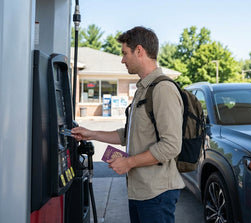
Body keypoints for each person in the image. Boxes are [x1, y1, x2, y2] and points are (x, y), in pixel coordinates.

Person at [71, 26, 185, 223]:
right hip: (140, 191)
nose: (122, 59)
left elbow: (171, 145)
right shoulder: (143, 88)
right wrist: (92, 134)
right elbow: (130, 134)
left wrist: (129, 162)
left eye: (125, 53)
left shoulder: (162, 89)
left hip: (156, 194)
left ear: (139, 51)